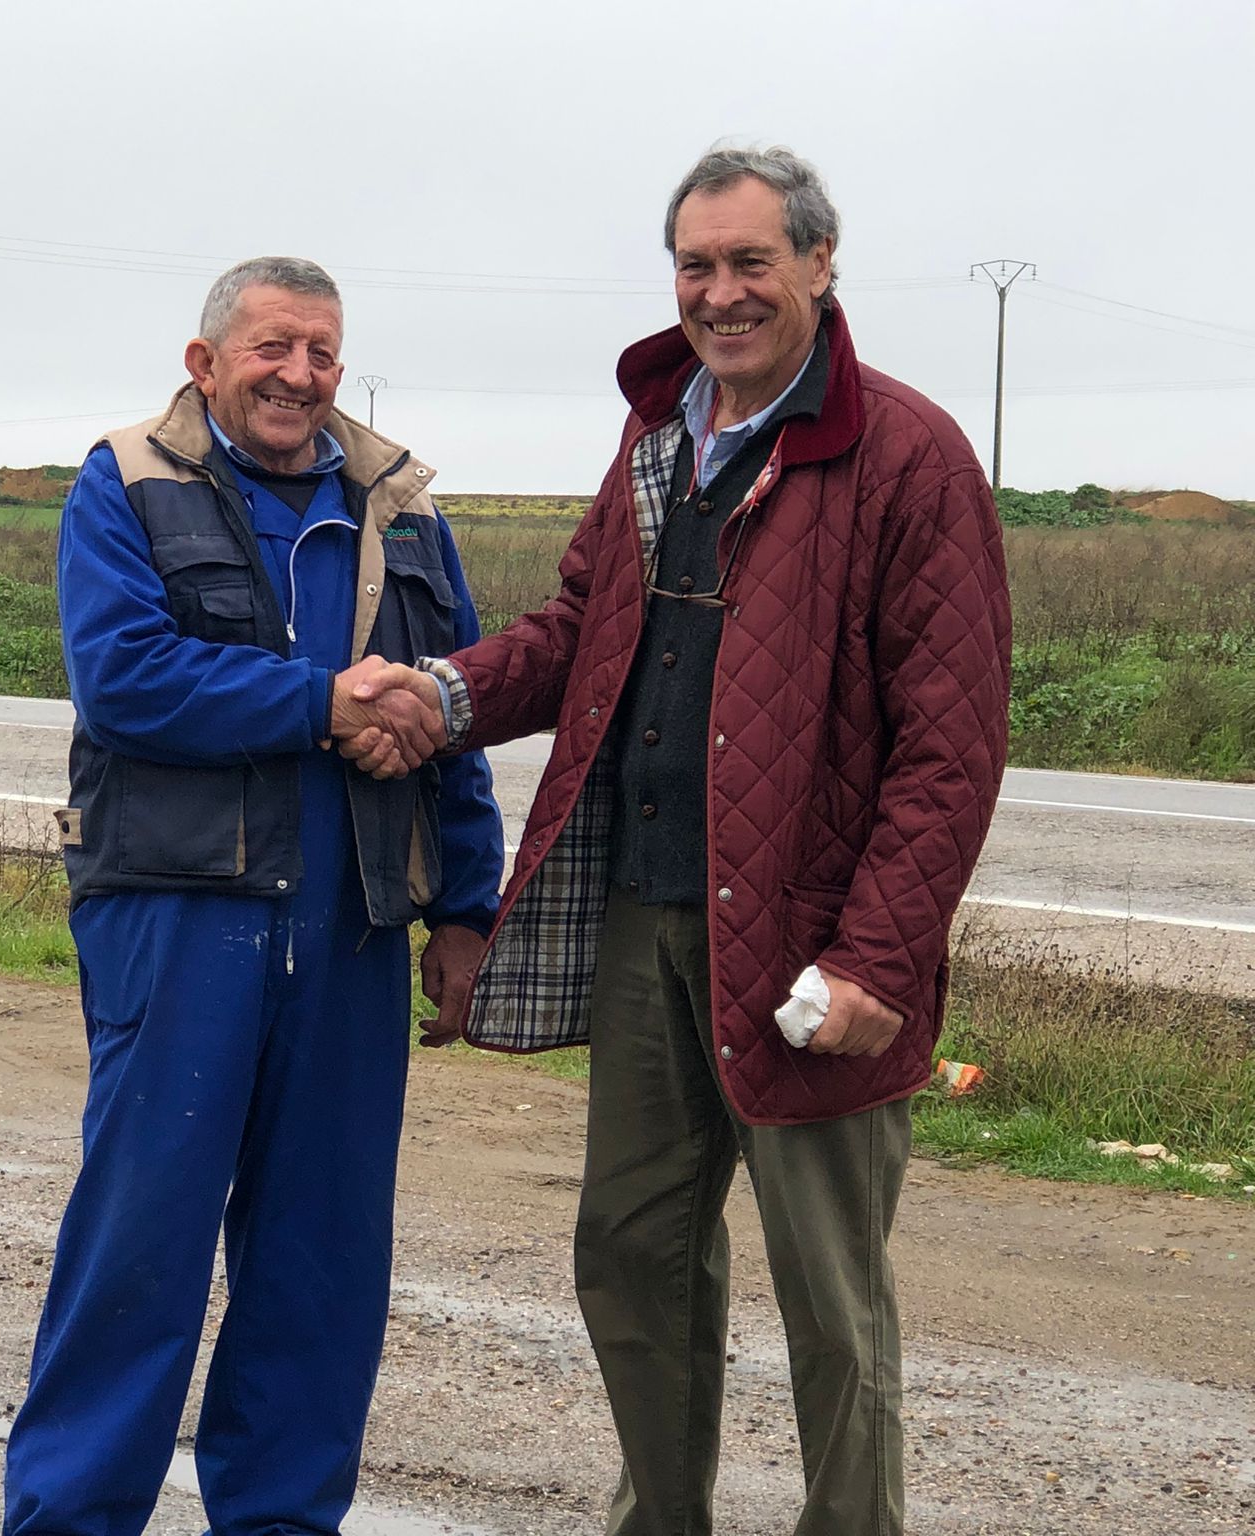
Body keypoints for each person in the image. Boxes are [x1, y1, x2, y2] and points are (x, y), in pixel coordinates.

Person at [351, 147, 1010, 1535]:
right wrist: (448, 695)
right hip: (649, 923)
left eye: (751, 262)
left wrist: (878, 956)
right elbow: (578, 633)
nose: (721, 294)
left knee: (834, 1305)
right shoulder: (660, 445)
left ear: (821, 267)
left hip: (811, 951)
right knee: (632, 1259)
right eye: (697, 267)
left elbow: (950, 750)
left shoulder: (908, 455)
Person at [2, 255, 504, 1536]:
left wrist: (464, 908)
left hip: (352, 927)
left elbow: (452, 717)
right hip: (176, 917)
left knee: (319, 1263)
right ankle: (70, 1516)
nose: (298, 376)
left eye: (321, 354)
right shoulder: (126, 483)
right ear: (205, 362)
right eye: (272, 348)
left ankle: (282, 1521)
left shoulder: (406, 513)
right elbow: (123, 679)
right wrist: (320, 701)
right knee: (141, 1246)